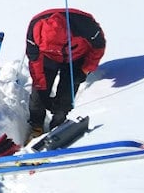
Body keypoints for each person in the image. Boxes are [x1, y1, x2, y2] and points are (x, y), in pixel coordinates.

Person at [25, 8, 106, 142]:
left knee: (66, 98)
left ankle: (58, 127)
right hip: (48, 57)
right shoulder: (34, 31)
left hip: (76, 56)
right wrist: (40, 85)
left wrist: (85, 69)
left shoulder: (84, 25)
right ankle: (36, 127)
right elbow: (34, 60)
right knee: (37, 96)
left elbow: (99, 47)